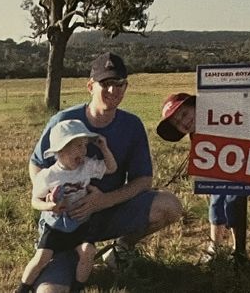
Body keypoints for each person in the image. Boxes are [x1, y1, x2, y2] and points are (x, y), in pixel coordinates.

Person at [28, 52, 182, 293]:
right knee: (49, 292)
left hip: (109, 211)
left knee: (170, 205)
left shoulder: (132, 125)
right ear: (90, 86)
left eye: (119, 84)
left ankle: (119, 250)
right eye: (106, 84)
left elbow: (144, 180)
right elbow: (36, 163)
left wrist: (103, 201)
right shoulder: (64, 120)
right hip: (67, 221)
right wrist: (47, 197)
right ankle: (66, 260)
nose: (114, 90)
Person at [16, 119, 118, 293]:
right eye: (77, 146)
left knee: (88, 252)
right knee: (42, 257)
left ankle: (77, 287)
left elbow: (111, 168)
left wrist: (104, 148)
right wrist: (50, 206)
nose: (83, 151)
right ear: (60, 150)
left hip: (80, 222)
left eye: (85, 145)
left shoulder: (86, 166)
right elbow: (35, 201)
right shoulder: (49, 176)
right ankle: (22, 288)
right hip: (56, 224)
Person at [156, 93, 244, 260]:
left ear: (195, 106)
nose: (183, 122)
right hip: (217, 174)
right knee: (216, 204)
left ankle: (238, 247)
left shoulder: (222, 118)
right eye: (177, 124)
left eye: (183, 114)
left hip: (238, 169)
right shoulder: (195, 134)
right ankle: (215, 246)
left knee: (234, 202)